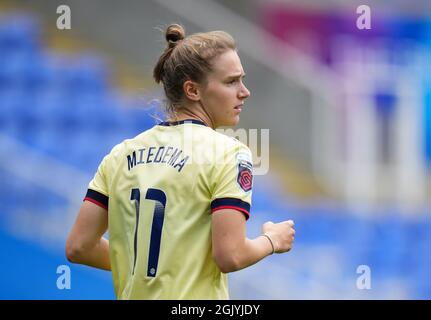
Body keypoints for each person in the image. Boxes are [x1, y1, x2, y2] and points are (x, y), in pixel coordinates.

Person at [65, 24, 295, 299]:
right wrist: (272, 240)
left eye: (242, 80)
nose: (244, 92)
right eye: (231, 81)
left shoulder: (121, 154)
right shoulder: (229, 153)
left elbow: (79, 246)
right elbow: (231, 256)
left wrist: (153, 267)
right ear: (193, 90)